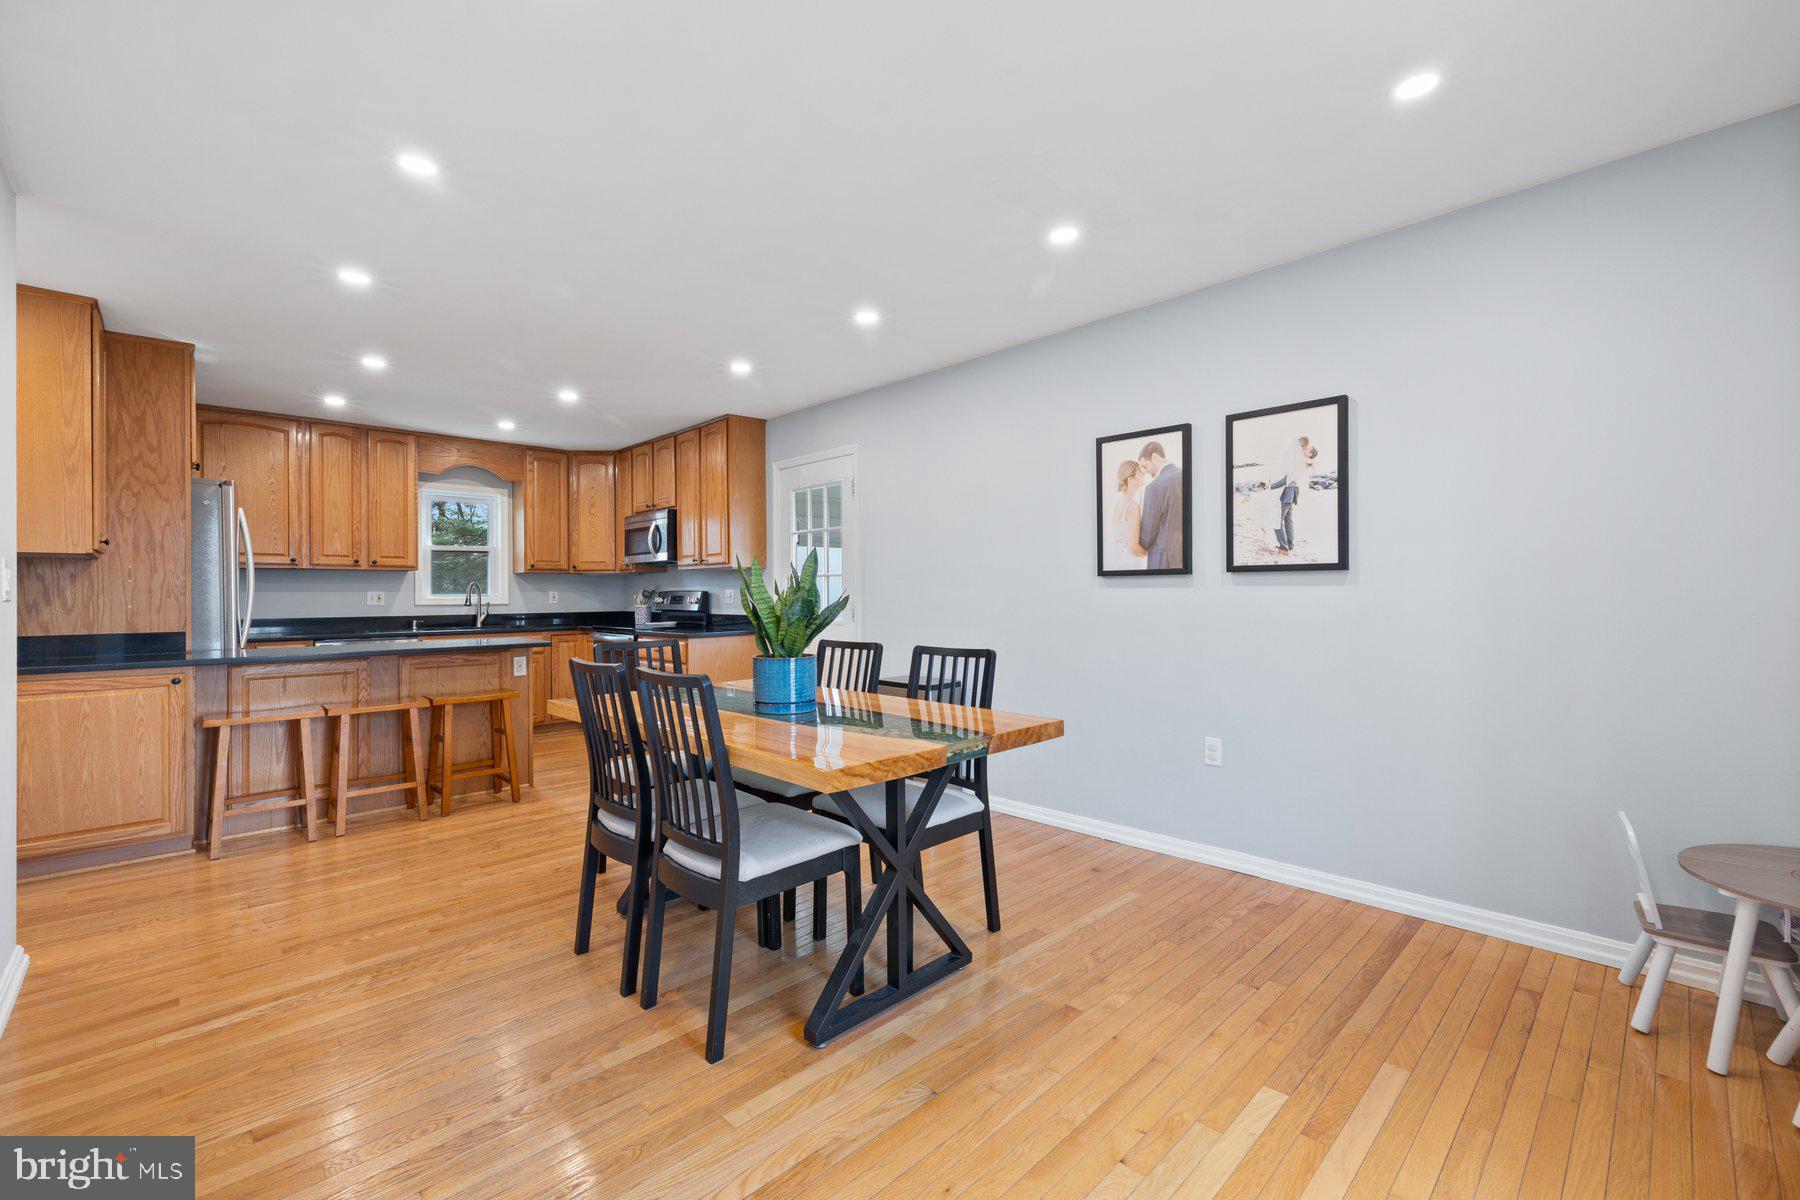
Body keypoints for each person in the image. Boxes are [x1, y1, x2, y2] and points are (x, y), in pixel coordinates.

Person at [1135, 440, 1184, 570]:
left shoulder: (1154, 488)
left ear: (1155, 458)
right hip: (1186, 557)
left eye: (1145, 466)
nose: (1145, 472)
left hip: (1162, 560)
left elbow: (1146, 537)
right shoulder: (1186, 476)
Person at [1271, 436, 1314, 553]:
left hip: (1288, 493)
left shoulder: (1297, 461)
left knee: (1277, 519)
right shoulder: (1302, 461)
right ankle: (1290, 544)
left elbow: (1287, 479)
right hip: (1293, 492)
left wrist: (1270, 486)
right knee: (1288, 519)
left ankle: (1283, 547)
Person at [1105, 460, 1147, 571]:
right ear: (1131, 479)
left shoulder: (1117, 502)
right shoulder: (1132, 506)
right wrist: (1147, 552)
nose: (1144, 473)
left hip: (1114, 562)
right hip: (1128, 564)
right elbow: (1133, 548)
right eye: (1140, 471)